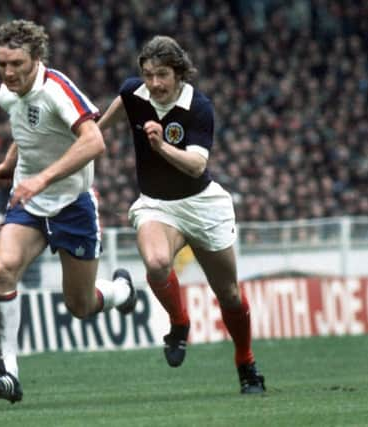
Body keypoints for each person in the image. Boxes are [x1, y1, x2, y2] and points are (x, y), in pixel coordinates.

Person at [97, 35, 266, 394]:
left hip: (201, 204)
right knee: (157, 263)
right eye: (147, 74)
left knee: (230, 295)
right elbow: (106, 123)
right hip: (157, 204)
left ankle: (246, 363)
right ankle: (179, 323)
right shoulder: (133, 93)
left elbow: (196, 165)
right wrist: (83, 140)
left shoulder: (198, 107)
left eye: (162, 75)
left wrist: (161, 146)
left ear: (178, 73)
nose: (154, 83)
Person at [0, 19, 137, 403]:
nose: (8, 72)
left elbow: (94, 141)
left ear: (37, 58)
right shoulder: (7, 93)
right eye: (2, 63)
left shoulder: (57, 89)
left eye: (16, 63)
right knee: (2, 270)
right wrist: (8, 164)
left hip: (72, 205)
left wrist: (43, 178)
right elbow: (26, 132)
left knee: (80, 305)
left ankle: (120, 291)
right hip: (29, 203)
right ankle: (9, 374)